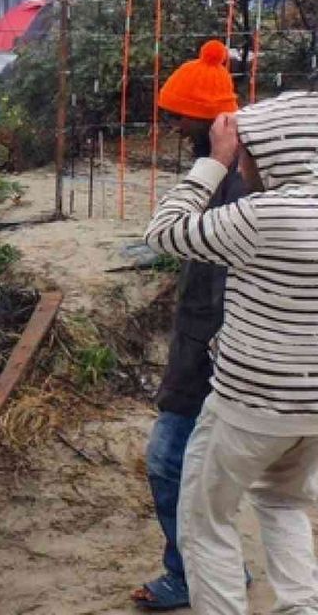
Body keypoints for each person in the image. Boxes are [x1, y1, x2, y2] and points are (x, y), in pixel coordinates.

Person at [144, 91, 318, 615]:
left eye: (248, 153)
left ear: (275, 155)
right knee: (283, 501)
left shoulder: (261, 215)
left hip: (249, 406)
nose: (243, 165)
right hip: (311, 411)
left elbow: (164, 233)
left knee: (206, 522)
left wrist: (212, 162)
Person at [130, 41, 244, 611]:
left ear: (204, 118)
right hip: (204, 343)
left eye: (178, 115)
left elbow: (167, 232)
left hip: (215, 352)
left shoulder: (236, 179)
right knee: (207, 471)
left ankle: (187, 574)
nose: (173, 126)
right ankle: (214, 567)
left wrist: (215, 352)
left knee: (170, 461)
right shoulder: (228, 170)